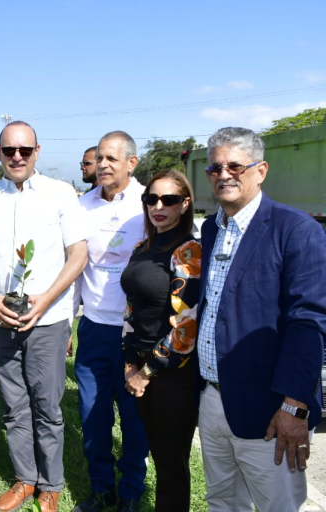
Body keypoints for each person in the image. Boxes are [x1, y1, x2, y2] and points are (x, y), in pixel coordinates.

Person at [0, 121, 88, 512]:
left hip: (46, 322)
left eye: (25, 150)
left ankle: (51, 483)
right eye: (9, 150)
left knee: (47, 406)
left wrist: (47, 300)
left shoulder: (61, 194)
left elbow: (78, 254)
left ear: (37, 151)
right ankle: (25, 479)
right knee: (14, 407)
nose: (17, 157)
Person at [196, 127, 326, 511]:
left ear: (261, 170)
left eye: (235, 166)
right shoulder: (210, 228)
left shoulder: (296, 230)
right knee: (222, 501)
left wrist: (294, 406)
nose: (224, 175)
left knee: (277, 506)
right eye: (215, 168)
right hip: (213, 400)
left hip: (269, 409)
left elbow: (309, 323)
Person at [74, 130, 149, 512]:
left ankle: (132, 491)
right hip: (93, 328)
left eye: (112, 159)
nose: (102, 165)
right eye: (99, 158)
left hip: (133, 334)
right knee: (92, 416)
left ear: (132, 163)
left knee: (134, 420)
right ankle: (101, 487)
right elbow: (75, 265)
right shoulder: (82, 205)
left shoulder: (148, 204)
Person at [120, 169, 201, 512]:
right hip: (139, 366)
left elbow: (187, 326)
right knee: (156, 450)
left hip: (171, 373)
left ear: (184, 204)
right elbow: (130, 309)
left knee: (170, 465)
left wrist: (146, 371)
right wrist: (128, 364)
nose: (158, 206)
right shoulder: (143, 246)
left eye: (168, 199)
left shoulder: (188, 250)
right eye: (151, 198)